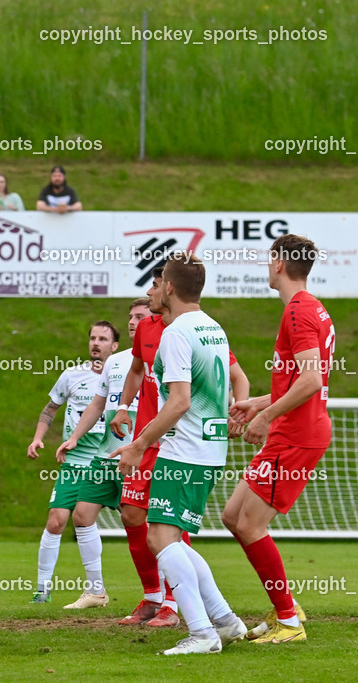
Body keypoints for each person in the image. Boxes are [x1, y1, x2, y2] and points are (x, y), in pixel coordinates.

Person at [111, 253, 248, 656]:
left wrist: (138, 445)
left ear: (169, 287)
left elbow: (179, 402)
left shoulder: (175, 332)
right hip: (208, 448)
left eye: (157, 284)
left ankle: (203, 633)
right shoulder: (214, 328)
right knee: (174, 541)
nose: (152, 291)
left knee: (161, 537)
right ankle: (225, 621)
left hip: (184, 451)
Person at [221, 234, 332, 644]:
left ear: (281, 264)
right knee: (233, 517)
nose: (268, 266)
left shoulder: (299, 313)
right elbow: (304, 381)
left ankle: (288, 621)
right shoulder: (313, 309)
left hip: (296, 434)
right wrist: (256, 403)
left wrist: (265, 416)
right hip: (293, 429)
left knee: (250, 524)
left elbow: (311, 381)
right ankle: (287, 608)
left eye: (271, 260)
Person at [55, 301, 150, 609]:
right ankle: (96, 591)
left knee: (145, 524)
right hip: (104, 455)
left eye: (140, 317)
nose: (133, 322)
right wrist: (73, 438)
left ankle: (164, 595)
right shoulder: (118, 361)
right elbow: (97, 405)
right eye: (131, 317)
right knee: (82, 516)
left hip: (137, 455)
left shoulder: (162, 356)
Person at [26, 321, 118, 604]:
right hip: (74, 461)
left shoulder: (123, 375)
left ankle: (158, 594)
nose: (96, 343)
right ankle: (42, 590)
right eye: (92, 337)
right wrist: (38, 438)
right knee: (56, 522)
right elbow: (51, 407)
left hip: (106, 461)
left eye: (103, 339)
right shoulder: (72, 375)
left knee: (135, 520)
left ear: (114, 346)